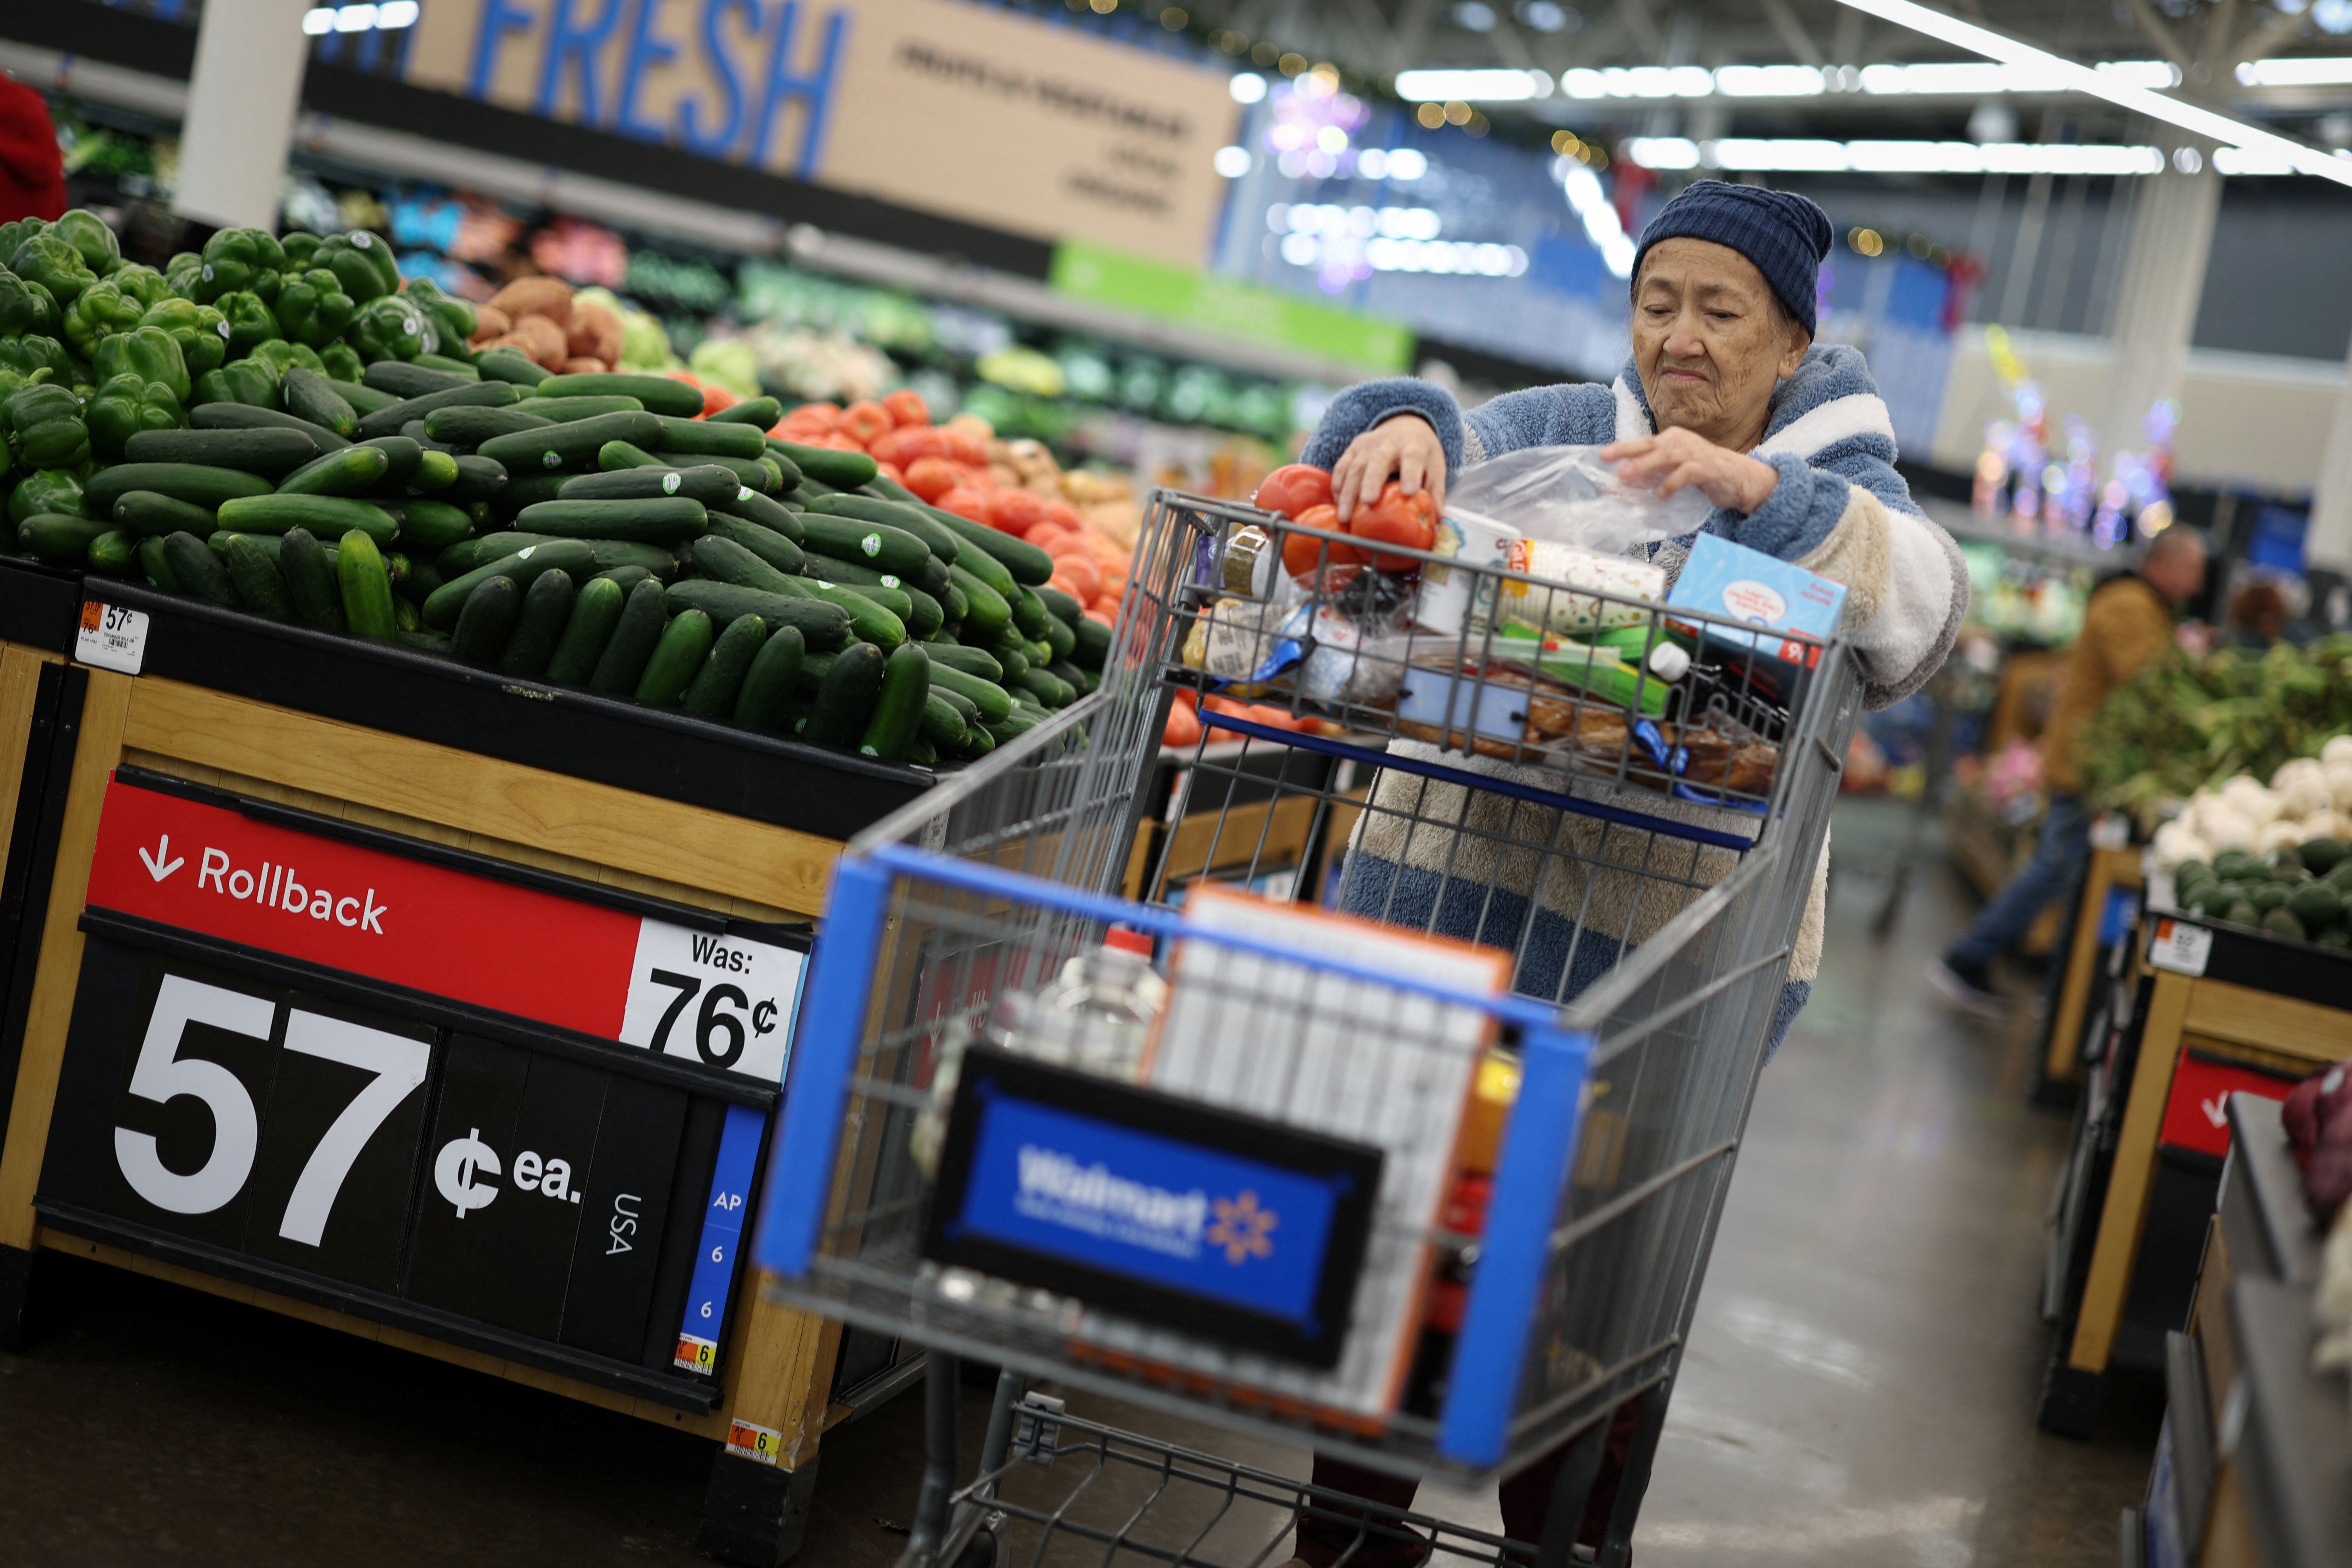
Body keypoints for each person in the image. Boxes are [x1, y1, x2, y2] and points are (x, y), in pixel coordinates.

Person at [1279, 179, 1966, 1566]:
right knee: (1411, 1231)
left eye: (1722, 311)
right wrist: (1397, 424)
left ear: (1789, 345)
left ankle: (1567, 1545)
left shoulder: (1839, 483)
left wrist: (1759, 495)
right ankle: (1351, 1533)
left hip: (1673, 957)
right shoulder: (1569, 436)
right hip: (1452, 901)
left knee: (1602, 1272)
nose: (1682, 339)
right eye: (1660, 304)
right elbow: (1433, 446)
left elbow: (1926, 609)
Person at [1929, 526, 2207, 1016]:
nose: (2198, 584)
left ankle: (2055, 989)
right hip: (2086, 767)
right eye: (2193, 570)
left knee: (2066, 876)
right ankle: (1967, 958)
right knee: (2053, 872)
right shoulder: (2130, 606)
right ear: (2165, 563)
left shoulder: (2143, 606)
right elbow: (2148, 684)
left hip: (2093, 766)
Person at [0, 74, 65, 226]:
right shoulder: (23, 101)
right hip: (29, 237)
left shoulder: (19, 103)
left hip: (20, 236)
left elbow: (43, 167)